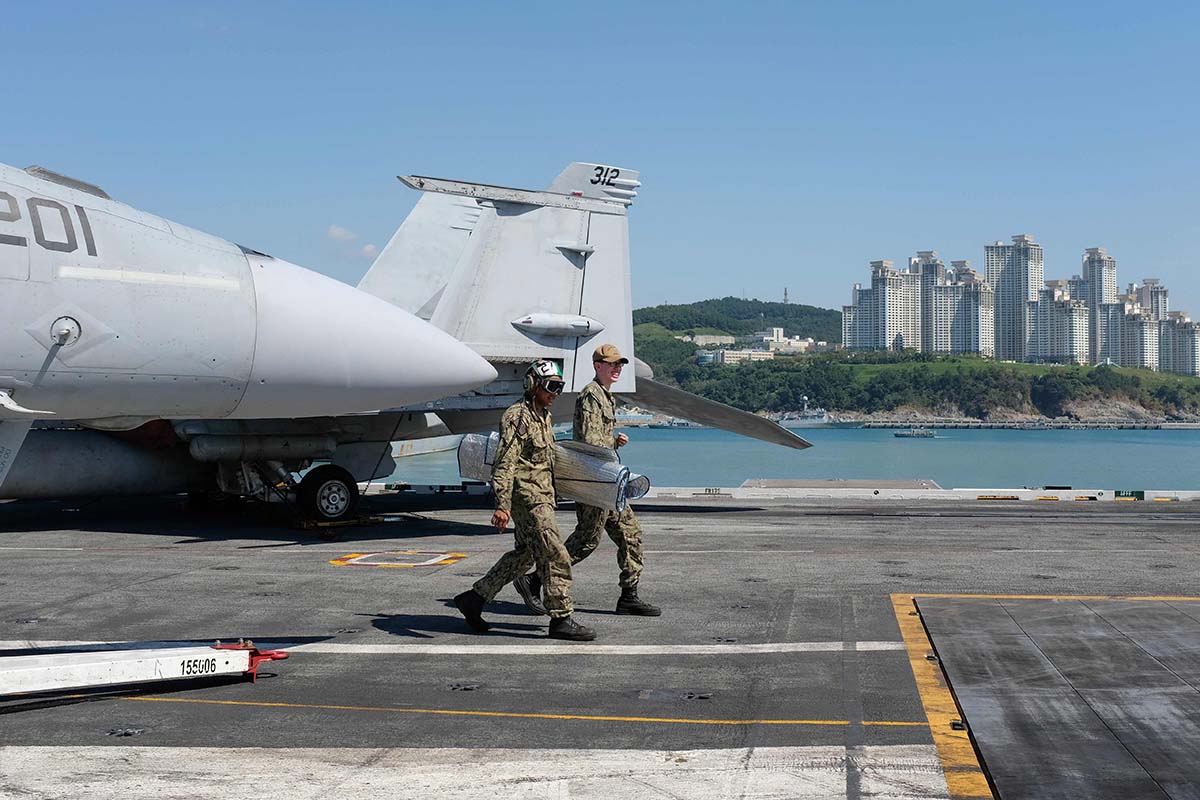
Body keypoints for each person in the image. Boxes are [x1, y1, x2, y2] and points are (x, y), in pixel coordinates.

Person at [453, 359, 596, 641]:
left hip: (542, 497)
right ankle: (561, 618)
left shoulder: (543, 415)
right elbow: (505, 462)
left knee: (525, 556)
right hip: (528, 500)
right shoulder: (517, 416)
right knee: (556, 555)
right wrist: (502, 505)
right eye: (551, 386)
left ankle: (474, 599)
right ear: (533, 385)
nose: (555, 392)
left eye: (560, 387)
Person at [514, 344, 660, 617]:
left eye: (620, 365)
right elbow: (591, 443)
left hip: (608, 482)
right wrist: (609, 446)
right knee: (585, 541)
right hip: (596, 482)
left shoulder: (606, 396)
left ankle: (629, 595)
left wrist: (614, 441)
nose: (617, 368)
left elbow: (595, 439)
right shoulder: (591, 396)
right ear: (597, 366)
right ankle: (534, 580)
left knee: (631, 535)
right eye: (612, 364)